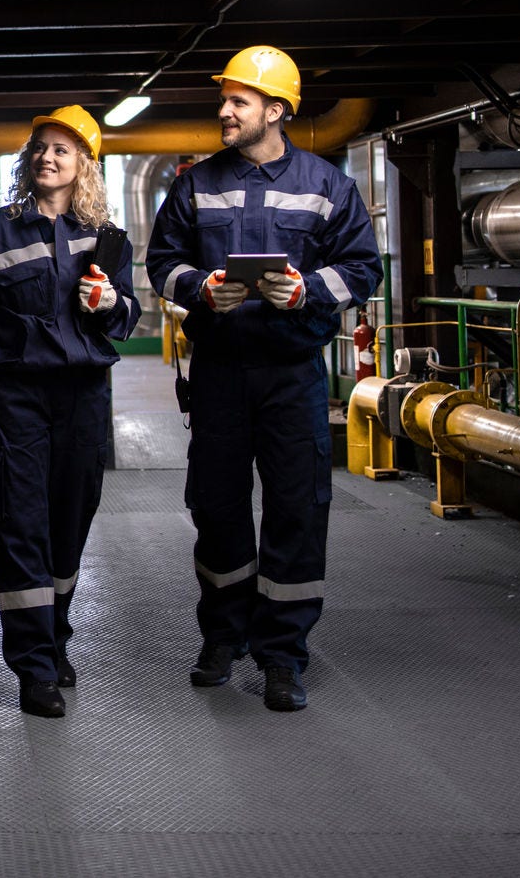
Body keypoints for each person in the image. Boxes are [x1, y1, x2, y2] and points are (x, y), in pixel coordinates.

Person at [144, 46, 381, 712]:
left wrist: (306, 288)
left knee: (296, 510)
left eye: (239, 100)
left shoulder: (326, 183)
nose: (224, 109)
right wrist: (197, 288)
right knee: (216, 507)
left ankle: (283, 655)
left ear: (275, 110)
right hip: (220, 371)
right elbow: (162, 260)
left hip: (291, 374)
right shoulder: (195, 182)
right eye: (224, 99)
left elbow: (363, 267)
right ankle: (223, 636)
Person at [0, 104, 142, 718]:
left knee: (71, 518)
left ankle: (55, 636)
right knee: (19, 520)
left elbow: (127, 320)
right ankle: (33, 666)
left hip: (83, 396)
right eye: (40, 148)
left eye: (63, 149)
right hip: (14, 396)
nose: (48, 156)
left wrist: (110, 301)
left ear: (85, 163)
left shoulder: (107, 240)